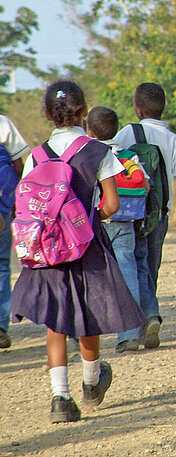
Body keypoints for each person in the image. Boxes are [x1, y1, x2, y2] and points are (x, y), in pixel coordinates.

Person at [11, 81, 145, 423]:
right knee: (90, 315)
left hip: (47, 251)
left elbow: (25, 205)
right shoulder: (98, 152)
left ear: (46, 114)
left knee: (56, 321)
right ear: (84, 112)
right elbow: (112, 204)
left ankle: (60, 398)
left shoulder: (36, 156)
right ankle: (91, 382)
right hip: (87, 247)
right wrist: (84, 220)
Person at [114, 82, 176, 349]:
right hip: (159, 214)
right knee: (150, 267)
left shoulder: (127, 133)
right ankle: (150, 317)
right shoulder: (174, 139)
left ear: (137, 108)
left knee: (133, 266)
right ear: (163, 108)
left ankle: (142, 321)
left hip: (129, 214)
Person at [87, 106, 150, 353]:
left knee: (95, 279)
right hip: (125, 222)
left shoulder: (90, 155)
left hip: (97, 222)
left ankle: (91, 333)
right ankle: (130, 335)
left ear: (89, 130)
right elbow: (144, 183)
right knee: (128, 274)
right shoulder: (128, 155)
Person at [0, 115, 29, 348]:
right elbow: (19, 162)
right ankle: (0, 325)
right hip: (3, 207)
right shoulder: (3, 123)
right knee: (1, 263)